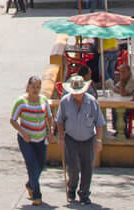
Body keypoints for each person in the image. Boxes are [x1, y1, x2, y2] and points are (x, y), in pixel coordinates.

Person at [56, 75, 105, 205]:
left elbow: (99, 122)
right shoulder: (65, 102)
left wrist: (98, 140)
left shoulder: (92, 102)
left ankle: (84, 193)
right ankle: (71, 188)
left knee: (87, 167)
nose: (77, 95)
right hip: (71, 138)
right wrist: (61, 137)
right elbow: (60, 121)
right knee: (72, 167)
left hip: (88, 138)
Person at [12, 75, 51, 206]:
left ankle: (30, 184)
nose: (35, 89)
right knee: (31, 164)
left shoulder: (44, 100)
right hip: (26, 139)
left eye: (38, 87)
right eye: (33, 87)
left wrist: (50, 132)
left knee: (40, 165)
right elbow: (13, 120)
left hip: (40, 138)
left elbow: (49, 117)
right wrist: (23, 132)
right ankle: (37, 195)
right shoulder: (21, 102)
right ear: (28, 87)